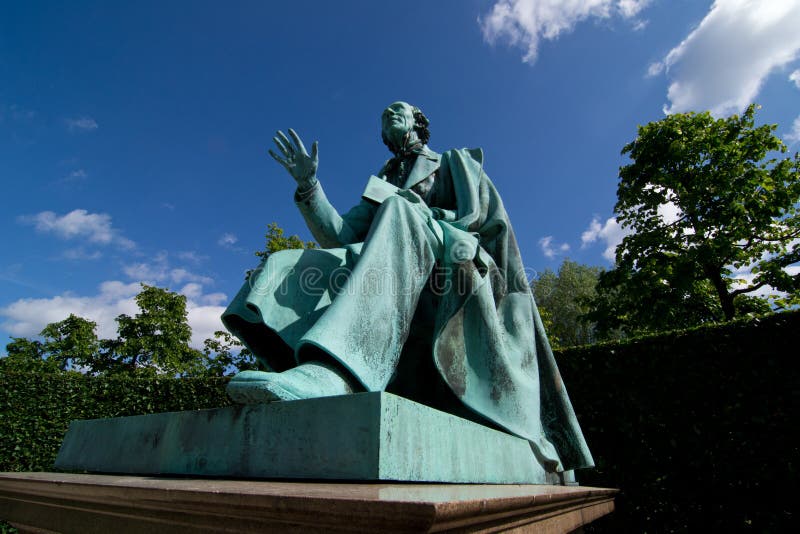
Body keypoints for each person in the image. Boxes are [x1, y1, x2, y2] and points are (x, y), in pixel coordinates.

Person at [222, 102, 593, 473]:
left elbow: (481, 219)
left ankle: (337, 372)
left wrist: (422, 211)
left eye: (398, 109)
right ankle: (302, 367)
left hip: (448, 257)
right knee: (288, 262)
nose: (388, 113)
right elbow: (340, 237)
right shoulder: (382, 182)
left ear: (419, 121)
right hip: (386, 263)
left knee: (400, 211)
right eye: (383, 115)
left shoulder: (453, 161)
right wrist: (309, 187)